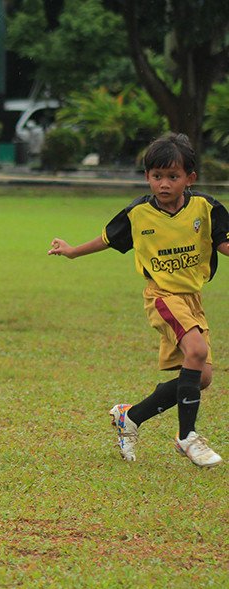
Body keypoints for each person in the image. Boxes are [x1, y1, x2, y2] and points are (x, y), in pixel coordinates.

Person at [49, 132, 229, 468]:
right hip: (161, 295)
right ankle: (187, 437)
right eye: (156, 176)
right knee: (198, 352)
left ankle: (130, 417)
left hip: (192, 298)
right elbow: (107, 238)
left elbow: (223, 243)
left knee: (201, 376)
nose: (163, 184)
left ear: (189, 178)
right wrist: (72, 252)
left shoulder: (206, 208)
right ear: (147, 177)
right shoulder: (138, 213)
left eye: (172, 177)